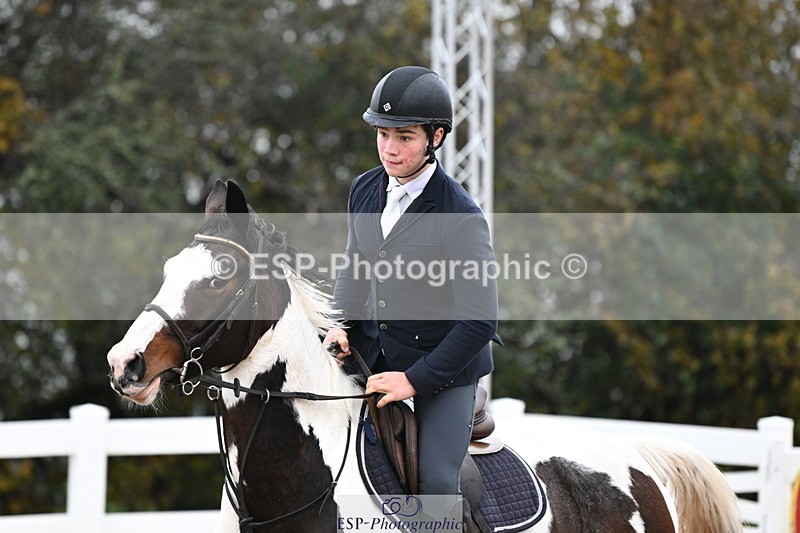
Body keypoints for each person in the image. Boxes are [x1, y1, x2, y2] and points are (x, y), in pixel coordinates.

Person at [323, 66, 499, 501]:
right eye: (383, 135)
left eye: (405, 137)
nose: (390, 149)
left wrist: (414, 381)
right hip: (371, 354)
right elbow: (355, 265)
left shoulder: (460, 216)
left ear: (434, 138)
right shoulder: (365, 187)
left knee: (437, 485)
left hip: (441, 368)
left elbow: (479, 323)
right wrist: (339, 322)